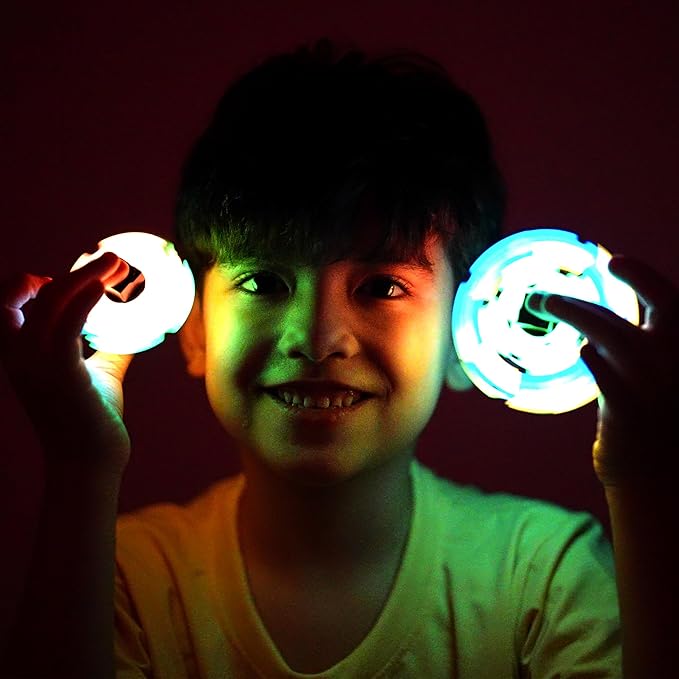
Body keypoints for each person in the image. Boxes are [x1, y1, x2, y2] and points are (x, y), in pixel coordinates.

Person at [0, 40, 676, 679]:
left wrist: (644, 482)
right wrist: (79, 469)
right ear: (193, 327)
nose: (318, 337)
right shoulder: (123, 574)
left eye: (380, 286)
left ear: (465, 337)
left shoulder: (546, 575)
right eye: (264, 281)